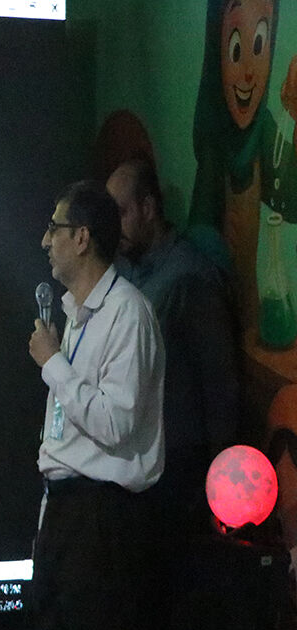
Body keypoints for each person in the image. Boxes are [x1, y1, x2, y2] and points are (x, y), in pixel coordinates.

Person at [28, 180, 166, 630]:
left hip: (103, 521)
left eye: (55, 228)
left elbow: (116, 422)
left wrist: (54, 365)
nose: (45, 241)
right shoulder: (75, 315)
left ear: (82, 237)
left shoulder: (127, 312)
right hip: (66, 514)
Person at [108, 157, 240, 530]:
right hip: (138, 461)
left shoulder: (188, 277)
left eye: (121, 213)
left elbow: (220, 384)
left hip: (178, 466)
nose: (114, 227)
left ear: (148, 208)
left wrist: (220, 485)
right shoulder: (127, 269)